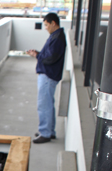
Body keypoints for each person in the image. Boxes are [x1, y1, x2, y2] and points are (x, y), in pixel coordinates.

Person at [26, 12, 67, 144]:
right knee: (48, 104)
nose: (45, 28)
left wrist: (37, 56)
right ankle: (50, 131)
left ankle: (45, 133)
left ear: (53, 23)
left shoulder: (58, 38)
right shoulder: (56, 36)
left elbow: (50, 58)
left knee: (44, 105)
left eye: (46, 25)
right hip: (49, 75)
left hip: (48, 76)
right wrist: (38, 53)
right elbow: (49, 55)